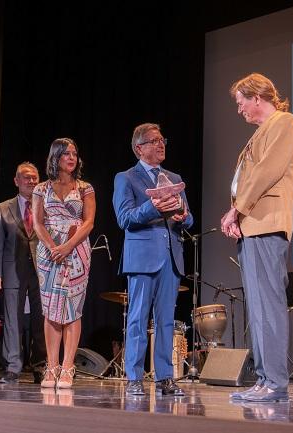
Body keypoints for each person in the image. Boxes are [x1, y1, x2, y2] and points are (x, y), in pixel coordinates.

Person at [220, 73, 293, 402]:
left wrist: (236, 210)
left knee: (268, 304)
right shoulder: (259, 134)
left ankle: (275, 382)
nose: (239, 110)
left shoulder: (284, 123)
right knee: (258, 307)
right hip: (253, 225)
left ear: (257, 97)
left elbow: (267, 172)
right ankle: (265, 378)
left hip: (266, 223)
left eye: (241, 103)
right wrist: (238, 213)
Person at [112, 123, 193, 396]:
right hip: (143, 258)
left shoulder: (173, 177)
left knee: (166, 321)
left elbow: (189, 217)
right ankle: (134, 377)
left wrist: (183, 215)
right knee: (137, 319)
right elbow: (125, 218)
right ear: (139, 148)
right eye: (154, 141)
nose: (161, 145)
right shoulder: (126, 178)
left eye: (162, 140)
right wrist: (153, 206)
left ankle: (165, 378)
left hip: (171, 256)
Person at [32, 138, 95, 388]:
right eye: (66, 153)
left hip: (77, 249)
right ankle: (52, 366)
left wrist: (68, 246)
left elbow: (89, 222)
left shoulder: (85, 188)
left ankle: (68, 367)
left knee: (72, 309)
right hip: (48, 252)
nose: (72, 157)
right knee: (51, 310)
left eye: (75, 153)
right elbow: (37, 222)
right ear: (55, 157)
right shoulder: (41, 189)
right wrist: (52, 247)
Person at [0, 162, 46, 384]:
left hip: (41, 272)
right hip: (13, 271)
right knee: (13, 320)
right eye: (26, 177)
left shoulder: (46, 206)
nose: (31, 181)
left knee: (41, 321)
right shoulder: (3, 208)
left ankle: (41, 366)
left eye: (34, 177)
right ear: (16, 181)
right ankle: (13, 367)